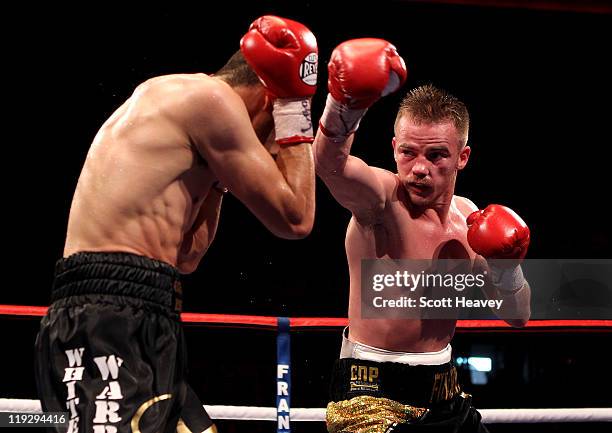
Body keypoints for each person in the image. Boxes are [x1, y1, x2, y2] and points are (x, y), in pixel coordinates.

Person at [35, 15, 317, 433]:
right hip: (105, 321)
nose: (271, 150)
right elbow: (296, 219)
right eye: (276, 125)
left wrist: (221, 180)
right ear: (266, 99)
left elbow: (187, 257)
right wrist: (295, 112)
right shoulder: (209, 99)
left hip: (143, 309)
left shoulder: (182, 111)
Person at [314, 38, 531, 432]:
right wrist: (344, 103)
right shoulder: (380, 203)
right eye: (408, 153)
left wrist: (508, 268)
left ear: (462, 157)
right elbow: (330, 163)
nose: (418, 168)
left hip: (446, 392)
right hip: (371, 396)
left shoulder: (471, 222)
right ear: (394, 148)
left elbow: (517, 316)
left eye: (435, 156)